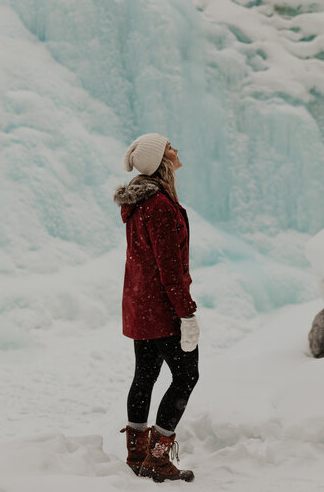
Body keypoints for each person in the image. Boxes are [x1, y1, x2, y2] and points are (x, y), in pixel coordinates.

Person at [114, 133, 200, 483]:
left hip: (140, 304)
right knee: (186, 376)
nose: (175, 149)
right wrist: (187, 313)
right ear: (160, 160)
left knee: (145, 376)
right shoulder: (160, 205)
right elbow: (169, 269)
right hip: (162, 310)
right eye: (168, 147)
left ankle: (137, 451)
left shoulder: (139, 202)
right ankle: (158, 457)